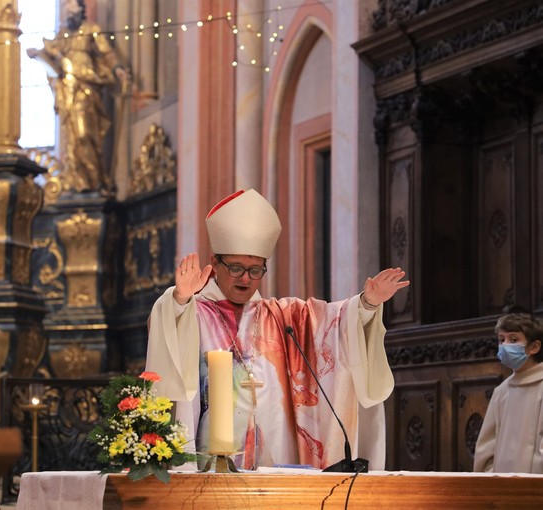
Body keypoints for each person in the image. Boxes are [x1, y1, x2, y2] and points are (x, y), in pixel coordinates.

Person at [145, 189, 409, 470]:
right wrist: (180, 299)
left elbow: (336, 323)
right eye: (236, 268)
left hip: (277, 455)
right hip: (211, 458)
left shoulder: (284, 317)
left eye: (255, 270)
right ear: (215, 263)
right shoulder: (195, 314)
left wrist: (367, 303)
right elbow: (166, 334)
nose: (246, 278)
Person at [26, 0, 129, 194]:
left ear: (81, 9)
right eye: (65, 6)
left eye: (71, 5)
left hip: (87, 87)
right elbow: (51, 56)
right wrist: (38, 54)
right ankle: (76, 182)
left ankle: (95, 181)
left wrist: (117, 69)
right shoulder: (63, 35)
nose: (67, 9)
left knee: (85, 134)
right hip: (68, 89)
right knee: (72, 137)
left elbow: (106, 53)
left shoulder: (91, 29)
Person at [473, 312, 543, 473]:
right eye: (501, 339)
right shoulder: (501, 391)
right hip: (502, 489)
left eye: (513, 340)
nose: (505, 345)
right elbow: (487, 447)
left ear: (534, 347)